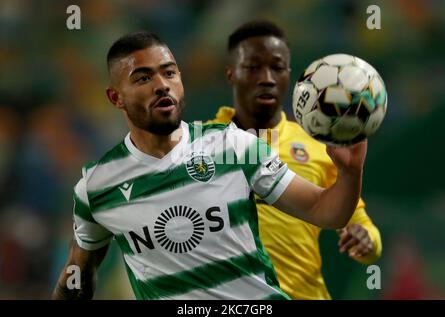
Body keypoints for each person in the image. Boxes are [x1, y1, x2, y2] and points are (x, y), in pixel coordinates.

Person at [52, 31, 367, 300]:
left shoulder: (233, 146)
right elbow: (80, 270)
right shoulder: (97, 187)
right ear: (115, 97)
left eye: (169, 72)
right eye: (144, 78)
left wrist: (350, 173)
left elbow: (323, 211)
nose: (162, 85)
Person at [207, 20, 382, 299]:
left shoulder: (320, 148)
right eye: (253, 67)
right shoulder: (199, 147)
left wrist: (365, 239)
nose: (267, 78)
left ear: (290, 76)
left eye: (277, 68)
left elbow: (365, 232)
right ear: (231, 74)